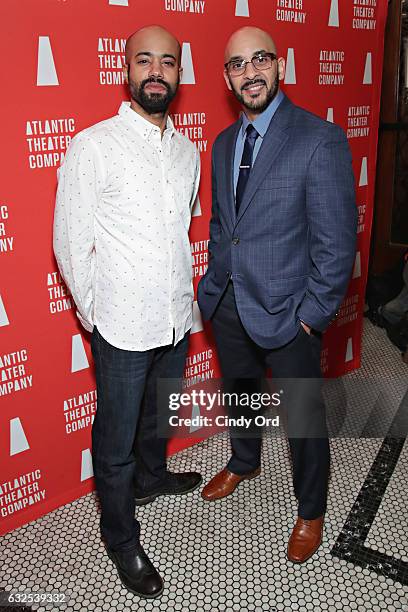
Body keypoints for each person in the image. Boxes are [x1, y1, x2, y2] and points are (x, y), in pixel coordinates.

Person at [197, 27, 357, 563]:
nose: (250, 73)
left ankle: (311, 509)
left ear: (280, 66)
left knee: (304, 419)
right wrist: (213, 287)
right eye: (237, 65)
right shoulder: (222, 144)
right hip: (230, 303)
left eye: (260, 59)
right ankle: (245, 461)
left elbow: (337, 243)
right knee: (240, 393)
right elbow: (226, 225)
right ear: (226, 78)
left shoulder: (319, 138)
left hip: (291, 312)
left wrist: (311, 316)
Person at [53, 25, 201, 598]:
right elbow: (70, 242)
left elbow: (180, 227)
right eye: (146, 61)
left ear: (180, 75)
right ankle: (121, 538)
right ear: (127, 70)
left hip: (173, 317)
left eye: (168, 62)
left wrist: (182, 309)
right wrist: (97, 318)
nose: (157, 72)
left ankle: (154, 478)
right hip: (120, 324)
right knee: (113, 443)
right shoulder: (94, 145)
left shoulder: (188, 152)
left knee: (157, 418)